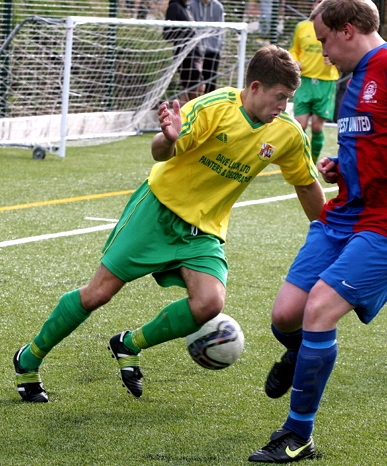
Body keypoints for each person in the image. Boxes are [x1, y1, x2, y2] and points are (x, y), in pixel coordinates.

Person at [12, 45, 326, 403]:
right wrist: (169, 138)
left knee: (209, 303)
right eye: (280, 97)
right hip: (157, 212)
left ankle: (129, 343)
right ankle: (30, 357)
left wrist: (329, 232)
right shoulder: (212, 108)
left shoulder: (286, 133)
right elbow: (161, 151)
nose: (283, 107)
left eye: (288, 99)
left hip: (203, 230)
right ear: (255, 87)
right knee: (98, 293)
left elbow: (305, 184)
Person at [249, 0, 387, 462]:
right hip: (350, 212)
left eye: (324, 41)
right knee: (285, 316)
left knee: (318, 311)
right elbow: (369, 143)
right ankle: (301, 356)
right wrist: (340, 168)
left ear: (348, 30)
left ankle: (299, 435)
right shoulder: (351, 83)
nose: (322, 52)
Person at [289, 0, 339, 164]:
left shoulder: (335, 27)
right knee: (299, 125)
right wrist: (295, 60)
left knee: (317, 127)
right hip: (304, 81)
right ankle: (296, 161)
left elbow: (343, 50)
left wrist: (334, 59)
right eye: (317, 2)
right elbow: (294, 49)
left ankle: (312, 162)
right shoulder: (302, 27)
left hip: (326, 82)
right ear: (313, 5)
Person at [164, 0, 206, 104]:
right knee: (196, 87)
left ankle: (183, 116)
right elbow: (167, 34)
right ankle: (186, 115)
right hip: (185, 56)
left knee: (194, 88)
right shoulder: (174, 7)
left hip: (195, 55)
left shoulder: (186, 8)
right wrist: (186, 36)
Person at [188, 0, 225, 94]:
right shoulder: (191, 5)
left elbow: (221, 30)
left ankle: (210, 107)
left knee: (210, 82)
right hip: (195, 51)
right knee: (193, 83)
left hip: (213, 51)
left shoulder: (218, 7)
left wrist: (218, 47)